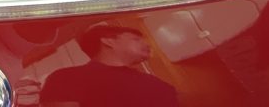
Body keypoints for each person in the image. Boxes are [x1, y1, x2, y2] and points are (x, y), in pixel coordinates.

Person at [39, 24, 179, 107]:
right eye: (136, 39)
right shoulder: (66, 78)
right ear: (108, 41)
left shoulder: (158, 84)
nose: (147, 44)